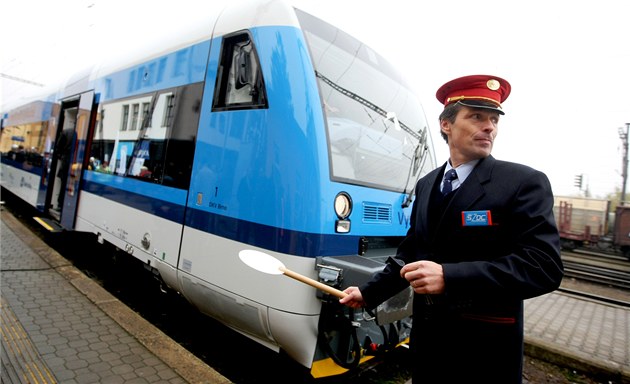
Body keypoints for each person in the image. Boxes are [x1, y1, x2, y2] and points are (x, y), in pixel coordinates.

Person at [339, 74, 564, 383]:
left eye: (494, 120)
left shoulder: (522, 183)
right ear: (446, 124)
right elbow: (410, 254)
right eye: (476, 117)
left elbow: (544, 268)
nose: (489, 127)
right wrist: (368, 293)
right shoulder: (427, 183)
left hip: (484, 353)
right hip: (430, 347)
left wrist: (449, 277)